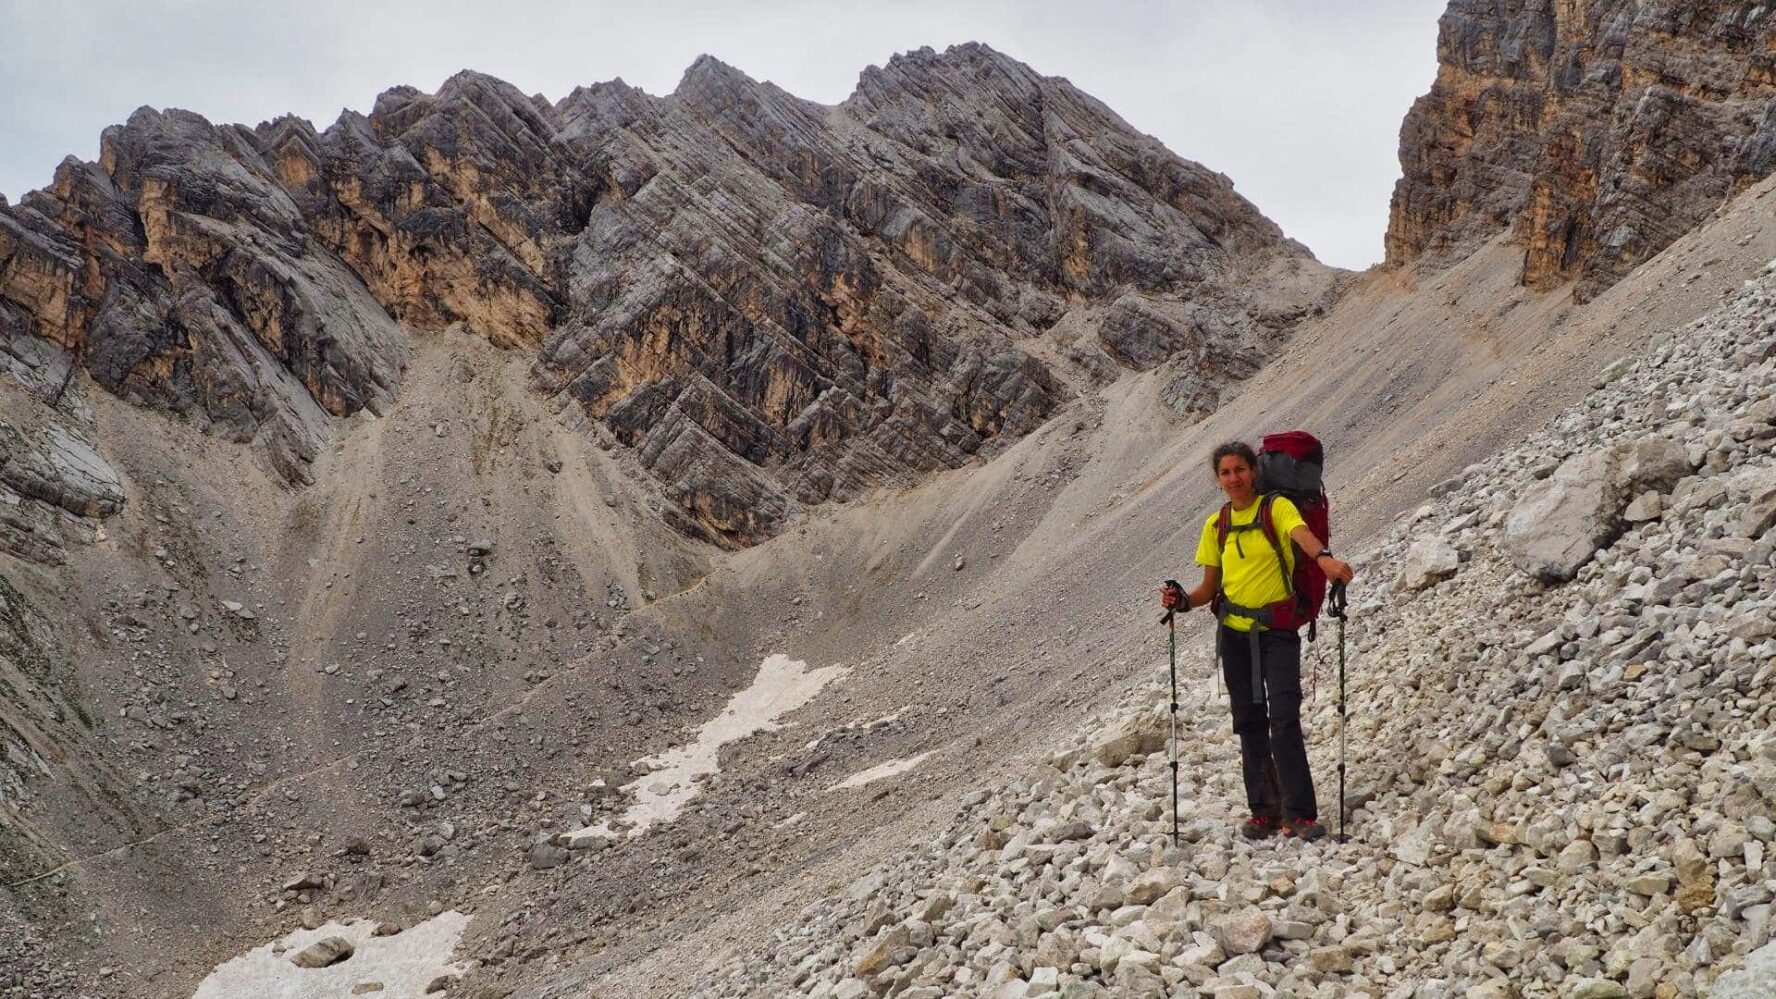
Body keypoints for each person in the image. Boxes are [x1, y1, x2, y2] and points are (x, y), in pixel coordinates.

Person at [1160, 441, 1354, 841]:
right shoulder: (1216, 525)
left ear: (1254, 471)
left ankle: (1299, 813)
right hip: (1233, 634)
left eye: (1240, 470)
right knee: (1249, 722)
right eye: (1226, 473)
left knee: (1283, 720)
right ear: (1218, 479)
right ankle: (1263, 810)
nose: (1234, 479)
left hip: (1277, 632)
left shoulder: (1277, 508)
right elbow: (1208, 590)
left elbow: (1303, 537)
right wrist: (1182, 601)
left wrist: (1325, 561)